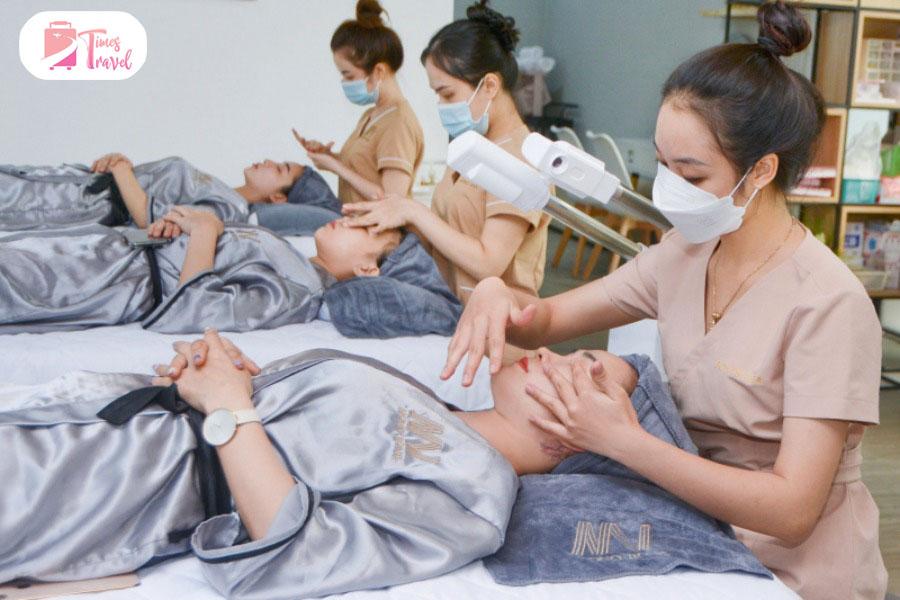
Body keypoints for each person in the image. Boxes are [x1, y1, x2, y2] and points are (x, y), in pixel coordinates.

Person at [439, 2, 887, 598]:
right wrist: (495, 291)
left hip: (796, 567)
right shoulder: (684, 253)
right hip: (693, 531)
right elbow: (545, 320)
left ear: (760, 172)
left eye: (691, 175)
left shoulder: (828, 305)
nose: (669, 187)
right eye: (661, 164)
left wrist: (621, 441)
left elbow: (791, 510)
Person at [0, 330, 643, 598]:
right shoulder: (440, 411)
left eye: (589, 375)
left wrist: (227, 408)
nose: (556, 357)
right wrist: (220, 373)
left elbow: (294, 553)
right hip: (90, 431)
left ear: (590, 440)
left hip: (97, 487)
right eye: (577, 351)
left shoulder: (475, 494)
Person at [341, 0, 550, 303]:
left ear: (489, 86)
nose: (441, 105)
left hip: (498, 320)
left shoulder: (521, 159)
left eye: (447, 94)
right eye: (437, 94)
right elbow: (444, 240)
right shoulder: (472, 150)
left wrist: (413, 211)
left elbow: (489, 263)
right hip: (451, 308)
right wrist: (395, 216)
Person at [286, 0, 424, 212]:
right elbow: (366, 170)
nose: (344, 82)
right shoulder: (371, 115)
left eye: (348, 75)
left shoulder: (399, 123)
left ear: (378, 71)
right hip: (354, 226)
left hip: (379, 232)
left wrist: (336, 167)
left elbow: (392, 203)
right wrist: (329, 157)